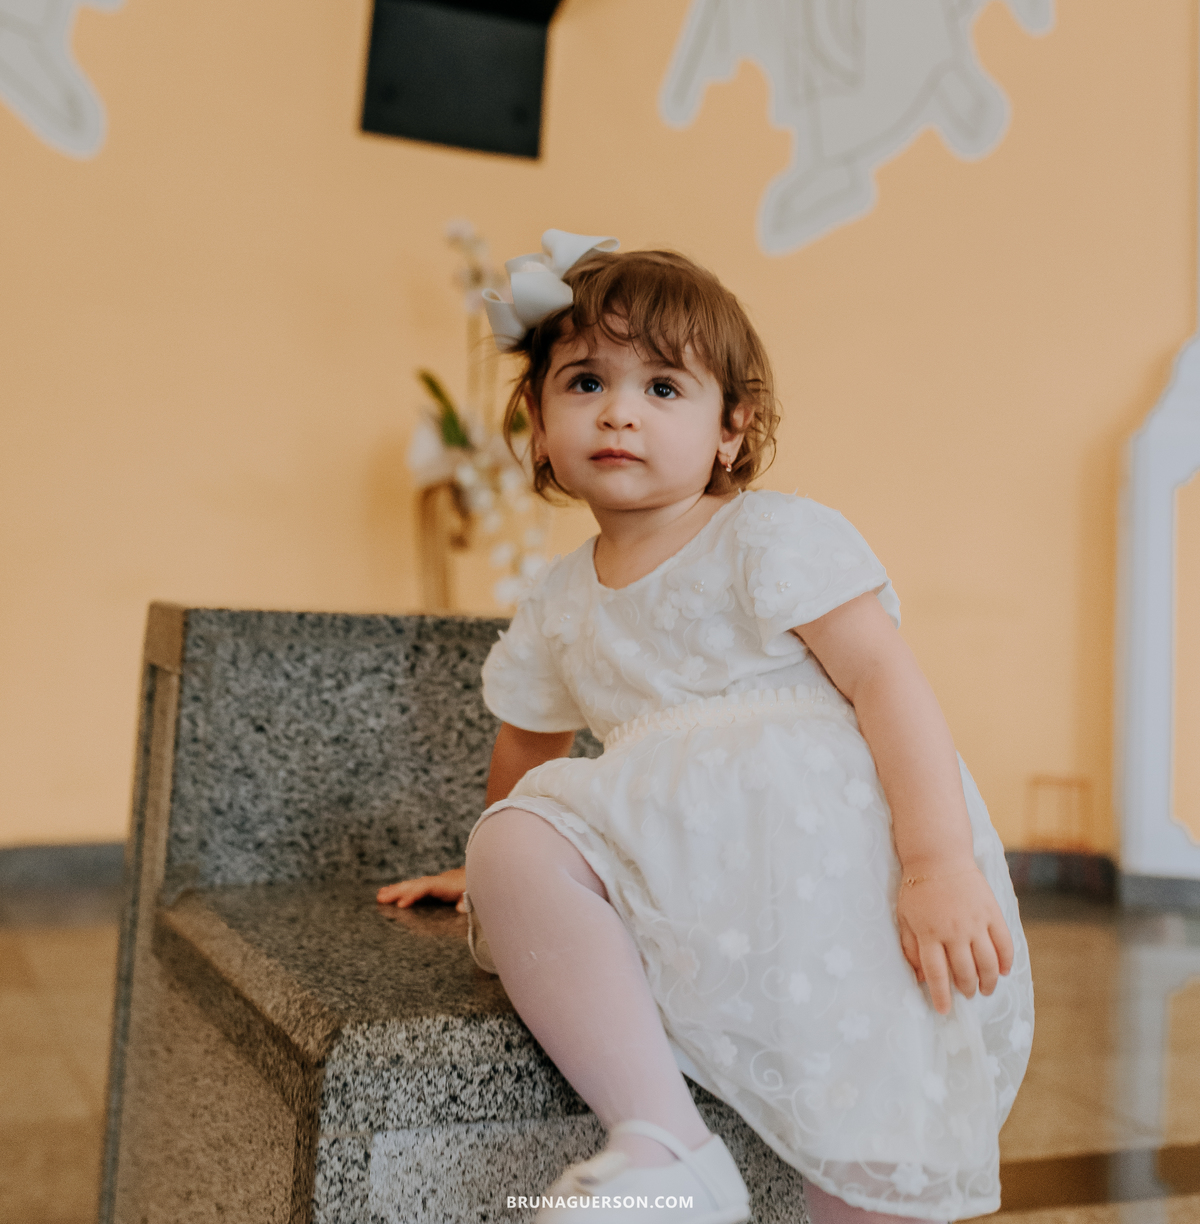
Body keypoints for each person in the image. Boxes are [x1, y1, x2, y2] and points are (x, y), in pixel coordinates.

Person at [378, 231, 1034, 1223]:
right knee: (513, 835)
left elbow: (887, 682)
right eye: (586, 381)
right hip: (685, 857)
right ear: (539, 423)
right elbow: (527, 751)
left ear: (734, 428)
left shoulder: (766, 538)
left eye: (664, 389)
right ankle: (665, 1145)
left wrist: (937, 859)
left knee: (859, 1118)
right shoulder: (558, 601)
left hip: (829, 861)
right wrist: (505, 876)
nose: (619, 412)